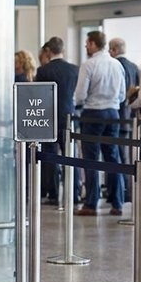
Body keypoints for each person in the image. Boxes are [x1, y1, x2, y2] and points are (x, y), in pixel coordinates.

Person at [73, 31, 125, 216]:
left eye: (87, 43)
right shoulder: (117, 64)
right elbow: (122, 94)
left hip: (93, 113)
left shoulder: (89, 65)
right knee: (113, 159)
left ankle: (91, 203)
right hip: (113, 113)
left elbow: (80, 94)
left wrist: (79, 104)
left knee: (91, 159)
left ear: (94, 44)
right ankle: (117, 203)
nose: (86, 47)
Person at [35, 37, 79, 205]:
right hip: (69, 117)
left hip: (49, 117)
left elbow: (38, 96)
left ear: (48, 51)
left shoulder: (43, 71)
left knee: (50, 156)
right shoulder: (74, 70)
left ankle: (53, 194)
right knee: (71, 157)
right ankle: (73, 195)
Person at [109, 38, 140, 169]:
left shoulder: (113, 65)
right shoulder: (134, 67)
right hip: (130, 115)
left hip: (116, 114)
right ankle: (127, 185)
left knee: (116, 154)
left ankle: (121, 185)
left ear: (114, 50)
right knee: (127, 154)